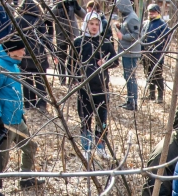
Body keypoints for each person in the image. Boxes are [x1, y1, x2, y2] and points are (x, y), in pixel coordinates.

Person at [0, 36, 43, 196]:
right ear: (10, 50)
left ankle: (26, 178)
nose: (24, 52)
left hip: (17, 118)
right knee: (2, 158)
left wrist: (21, 112)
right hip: (5, 122)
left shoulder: (14, 65)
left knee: (30, 146)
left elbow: (14, 93)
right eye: (21, 49)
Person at [73, 14, 116, 156]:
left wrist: (106, 63)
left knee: (101, 120)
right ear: (86, 24)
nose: (93, 27)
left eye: (96, 24)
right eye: (91, 23)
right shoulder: (78, 42)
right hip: (84, 89)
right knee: (85, 119)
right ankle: (86, 148)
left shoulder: (104, 42)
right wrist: (75, 80)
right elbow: (71, 64)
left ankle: (100, 147)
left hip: (101, 88)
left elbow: (115, 61)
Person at [17, 0, 52, 112]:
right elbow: (45, 38)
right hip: (39, 55)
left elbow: (14, 38)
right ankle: (42, 104)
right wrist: (53, 52)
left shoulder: (18, 20)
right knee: (40, 81)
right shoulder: (39, 20)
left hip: (24, 55)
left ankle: (28, 103)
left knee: (27, 80)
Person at [113, 0, 142, 110]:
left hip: (131, 53)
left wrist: (122, 36)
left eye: (119, 7)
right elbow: (129, 30)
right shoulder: (128, 17)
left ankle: (133, 103)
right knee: (127, 77)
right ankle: (130, 100)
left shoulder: (132, 18)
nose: (119, 10)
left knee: (131, 78)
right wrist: (121, 27)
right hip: (127, 52)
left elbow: (136, 35)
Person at [51, 0, 86, 86]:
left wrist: (77, 7)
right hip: (61, 36)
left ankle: (73, 79)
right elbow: (48, 17)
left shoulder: (71, 3)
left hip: (73, 34)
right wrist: (57, 7)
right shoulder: (57, 5)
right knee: (61, 59)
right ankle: (62, 80)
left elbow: (84, 15)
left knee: (74, 58)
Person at [142, 4, 169, 103]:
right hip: (146, 53)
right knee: (148, 74)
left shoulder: (162, 24)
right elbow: (142, 38)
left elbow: (167, 40)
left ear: (158, 12)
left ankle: (160, 96)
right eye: (149, 11)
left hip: (157, 55)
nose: (151, 13)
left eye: (153, 11)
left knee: (157, 75)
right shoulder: (146, 23)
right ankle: (151, 94)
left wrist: (161, 51)